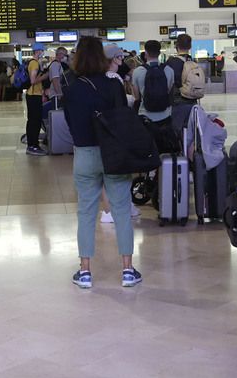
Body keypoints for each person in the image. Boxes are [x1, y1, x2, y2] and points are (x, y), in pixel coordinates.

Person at [63, 36, 141, 289]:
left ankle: (85, 271)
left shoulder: (72, 89)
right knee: (121, 211)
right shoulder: (113, 85)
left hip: (84, 154)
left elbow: (70, 124)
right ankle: (128, 270)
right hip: (113, 154)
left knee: (86, 212)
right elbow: (123, 118)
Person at [99, 45, 141, 224]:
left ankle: (116, 207)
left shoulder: (99, 78)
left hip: (104, 129)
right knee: (118, 171)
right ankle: (110, 210)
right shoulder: (114, 78)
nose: (122, 60)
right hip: (115, 128)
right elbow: (121, 104)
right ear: (114, 59)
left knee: (110, 171)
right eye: (120, 57)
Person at [131, 39, 175, 141]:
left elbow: (136, 97)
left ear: (145, 53)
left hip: (145, 116)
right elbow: (168, 91)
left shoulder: (137, 72)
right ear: (159, 53)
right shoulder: (169, 70)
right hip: (165, 115)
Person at [24, 43, 48, 156]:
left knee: (32, 121)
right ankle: (32, 145)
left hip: (33, 95)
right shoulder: (34, 64)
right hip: (34, 96)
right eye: (42, 51)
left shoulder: (32, 63)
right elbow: (33, 81)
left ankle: (32, 144)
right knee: (35, 121)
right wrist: (45, 76)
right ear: (38, 51)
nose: (43, 53)